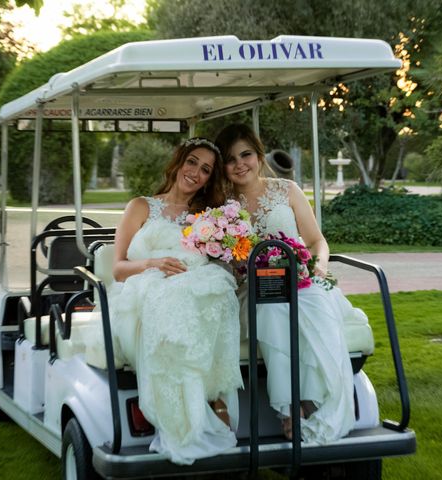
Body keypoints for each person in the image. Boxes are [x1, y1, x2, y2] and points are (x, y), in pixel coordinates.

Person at [215, 124, 356, 445]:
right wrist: (236, 266)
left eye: (246, 154)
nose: (240, 164)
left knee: (316, 307)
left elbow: (317, 240)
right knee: (272, 309)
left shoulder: (287, 190)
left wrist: (318, 266)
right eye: (230, 159)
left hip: (301, 280)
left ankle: (316, 401)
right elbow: (223, 258)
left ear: (259, 154)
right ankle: (291, 408)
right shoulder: (222, 207)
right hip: (253, 288)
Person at [107, 137, 243, 465]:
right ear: (179, 162)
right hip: (145, 283)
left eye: (206, 169)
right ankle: (189, 417)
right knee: (172, 299)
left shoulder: (208, 217)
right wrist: (152, 264)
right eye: (192, 162)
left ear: (210, 178)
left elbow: (222, 256)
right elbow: (118, 269)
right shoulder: (141, 206)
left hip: (195, 282)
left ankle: (211, 397)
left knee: (218, 289)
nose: (196, 172)